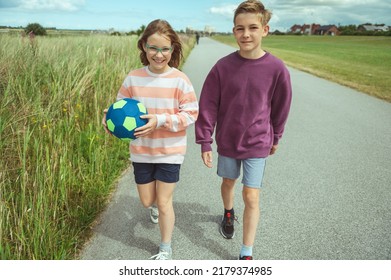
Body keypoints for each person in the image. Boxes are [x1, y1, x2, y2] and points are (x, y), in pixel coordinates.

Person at [195, 0, 292, 260]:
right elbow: (208, 105)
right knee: (228, 182)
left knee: (251, 195)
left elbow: (281, 107)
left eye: (252, 28)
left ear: (265, 30)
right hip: (228, 140)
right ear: (234, 31)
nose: (246, 34)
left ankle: (246, 252)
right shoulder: (222, 67)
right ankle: (228, 211)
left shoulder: (277, 68)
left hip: (258, 141)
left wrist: (277, 136)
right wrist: (205, 141)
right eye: (240, 28)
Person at [102, 19, 198, 260]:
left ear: (173, 49)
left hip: (170, 151)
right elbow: (119, 107)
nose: (159, 54)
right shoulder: (133, 78)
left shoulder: (180, 80)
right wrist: (108, 118)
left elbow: (191, 114)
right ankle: (154, 207)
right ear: (144, 46)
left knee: (165, 201)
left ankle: (165, 248)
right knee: (147, 201)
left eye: (165, 49)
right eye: (153, 48)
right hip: (142, 151)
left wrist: (161, 120)